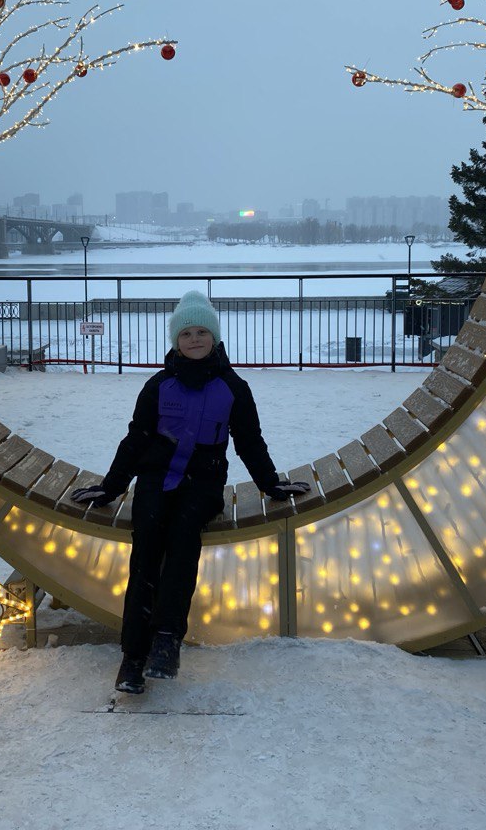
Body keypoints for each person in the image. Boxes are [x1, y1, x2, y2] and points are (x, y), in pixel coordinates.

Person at [70, 291, 309, 694]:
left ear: (214, 338)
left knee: (182, 542)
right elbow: (136, 440)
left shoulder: (233, 387)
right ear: (175, 341)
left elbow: (249, 441)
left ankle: (167, 640)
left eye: (202, 332)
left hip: (203, 485)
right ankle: (132, 656)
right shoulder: (159, 385)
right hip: (156, 480)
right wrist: (112, 486)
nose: (194, 339)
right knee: (145, 549)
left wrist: (270, 483)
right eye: (186, 333)